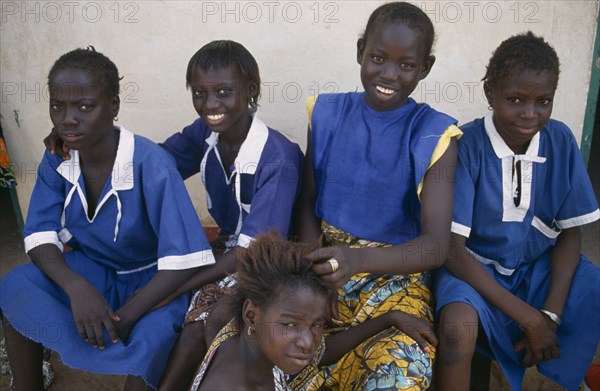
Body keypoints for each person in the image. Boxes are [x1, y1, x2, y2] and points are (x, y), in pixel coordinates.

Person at [45, 40, 304, 389]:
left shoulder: (278, 157)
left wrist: (175, 287)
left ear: (251, 90)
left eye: (224, 92)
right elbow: (147, 167)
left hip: (265, 258)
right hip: (222, 250)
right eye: (200, 93)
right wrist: (78, 137)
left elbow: (250, 253)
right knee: (157, 309)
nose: (211, 105)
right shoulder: (206, 134)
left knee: (192, 326)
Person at [0, 47, 215, 390]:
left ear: (113, 106)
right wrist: (76, 287)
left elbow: (184, 261)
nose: (68, 118)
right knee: (17, 289)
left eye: (85, 106)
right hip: (94, 269)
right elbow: (39, 235)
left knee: (153, 343)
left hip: (154, 283)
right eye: (58, 105)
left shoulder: (151, 163)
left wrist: (127, 316)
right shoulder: (59, 156)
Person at [298, 2, 461, 389]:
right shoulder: (326, 113)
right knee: (278, 354)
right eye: (377, 58)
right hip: (324, 269)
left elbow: (435, 246)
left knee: (401, 370)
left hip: (398, 279)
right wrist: (313, 274)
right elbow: (307, 201)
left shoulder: (434, 135)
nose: (389, 74)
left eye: (406, 65)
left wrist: (356, 261)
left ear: (426, 68)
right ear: (360, 52)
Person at [434, 32, 600, 391]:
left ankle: (576, 375)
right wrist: (529, 319)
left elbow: (571, 232)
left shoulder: (561, 140)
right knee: (456, 332)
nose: (529, 113)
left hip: (533, 267)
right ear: (490, 92)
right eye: (515, 99)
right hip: (471, 270)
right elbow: (451, 252)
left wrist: (549, 316)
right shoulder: (466, 146)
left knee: (593, 287)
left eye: (543, 101)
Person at [188, 232, 438, 391]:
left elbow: (323, 351)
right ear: (251, 314)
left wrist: (389, 318)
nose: (308, 342)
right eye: (290, 325)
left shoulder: (248, 334)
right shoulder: (235, 383)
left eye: (317, 325)